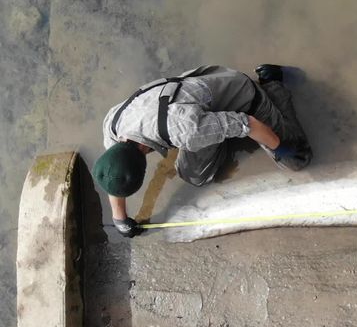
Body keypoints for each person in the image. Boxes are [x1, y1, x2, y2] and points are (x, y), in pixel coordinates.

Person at [92, 64, 312, 237]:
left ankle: (271, 81)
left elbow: (248, 123)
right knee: (193, 174)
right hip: (196, 89)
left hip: (240, 94)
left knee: (297, 160)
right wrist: (120, 220)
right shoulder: (113, 124)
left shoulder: (185, 130)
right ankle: (217, 129)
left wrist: (279, 147)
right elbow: (113, 173)